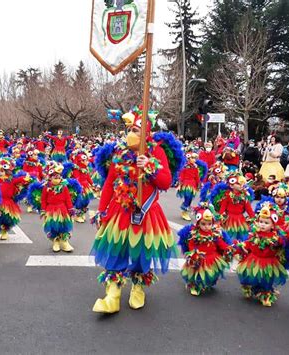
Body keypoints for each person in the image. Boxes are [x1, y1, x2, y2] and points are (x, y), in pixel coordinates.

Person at [90, 107, 183, 313]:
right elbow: (109, 184)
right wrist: (102, 209)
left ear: (146, 133)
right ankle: (112, 295)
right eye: (130, 129)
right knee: (116, 251)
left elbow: (166, 182)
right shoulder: (119, 152)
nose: (131, 133)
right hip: (120, 210)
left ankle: (138, 287)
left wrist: (150, 165)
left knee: (142, 253)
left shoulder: (156, 151)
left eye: (136, 130)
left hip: (147, 212)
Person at [236, 203, 289, 307]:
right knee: (249, 276)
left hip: (269, 262)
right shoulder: (254, 233)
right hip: (253, 260)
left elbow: (285, 240)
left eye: (266, 222)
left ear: (273, 225)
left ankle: (265, 295)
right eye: (260, 222)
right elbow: (248, 243)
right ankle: (250, 288)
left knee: (266, 281)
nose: (262, 224)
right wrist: (241, 247)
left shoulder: (276, 237)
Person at [177, 204, 233, 296]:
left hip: (212, 258)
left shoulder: (214, 234)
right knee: (196, 274)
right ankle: (195, 286)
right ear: (198, 223)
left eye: (209, 224)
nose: (207, 226)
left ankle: (208, 283)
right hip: (199, 258)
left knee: (211, 273)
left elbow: (220, 243)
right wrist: (193, 254)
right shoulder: (194, 234)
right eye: (203, 224)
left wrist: (228, 248)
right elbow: (191, 244)